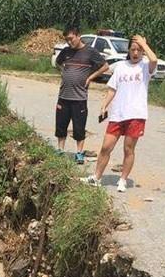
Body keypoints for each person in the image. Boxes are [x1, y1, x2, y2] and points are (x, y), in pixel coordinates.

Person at [81, 34, 158, 191]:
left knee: (128, 149)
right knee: (105, 147)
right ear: (128, 51)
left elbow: (154, 60)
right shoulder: (121, 66)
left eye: (139, 50)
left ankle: (123, 179)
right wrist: (104, 105)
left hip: (136, 114)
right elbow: (112, 89)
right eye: (133, 49)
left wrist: (144, 44)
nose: (135, 53)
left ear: (143, 51)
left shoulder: (145, 67)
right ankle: (96, 177)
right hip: (118, 114)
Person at [55, 25, 109, 164]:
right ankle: (60, 150)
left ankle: (79, 153)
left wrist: (91, 77)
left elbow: (105, 66)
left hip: (79, 98)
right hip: (64, 96)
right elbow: (58, 62)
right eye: (67, 40)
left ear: (78, 36)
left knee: (79, 127)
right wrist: (63, 71)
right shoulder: (66, 51)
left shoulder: (90, 52)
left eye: (71, 39)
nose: (69, 42)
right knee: (61, 125)